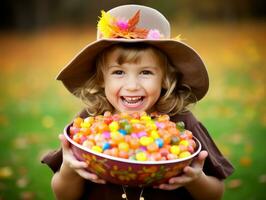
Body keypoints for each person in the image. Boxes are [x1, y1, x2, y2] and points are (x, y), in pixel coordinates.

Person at [41, 4, 234, 200]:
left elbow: (215, 194)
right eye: (118, 72)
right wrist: (68, 168)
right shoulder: (89, 123)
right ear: (101, 78)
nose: (132, 85)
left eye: (145, 72)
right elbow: (63, 196)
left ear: (165, 78)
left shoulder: (182, 125)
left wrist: (196, 179)